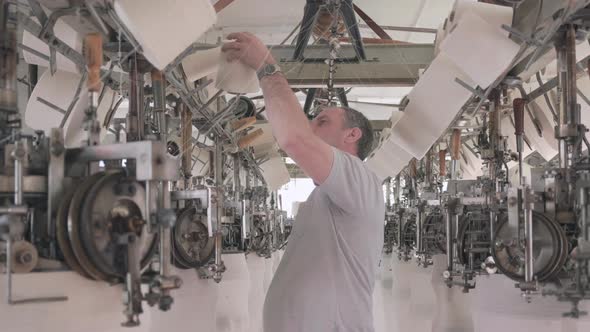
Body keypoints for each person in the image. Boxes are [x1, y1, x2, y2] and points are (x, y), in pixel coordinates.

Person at [222, 32, 385, 332]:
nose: (311, 127)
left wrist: (266, 67)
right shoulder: (327, 195)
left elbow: (294, 138)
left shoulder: (360, 179)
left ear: (353, 135)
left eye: (321, 121)